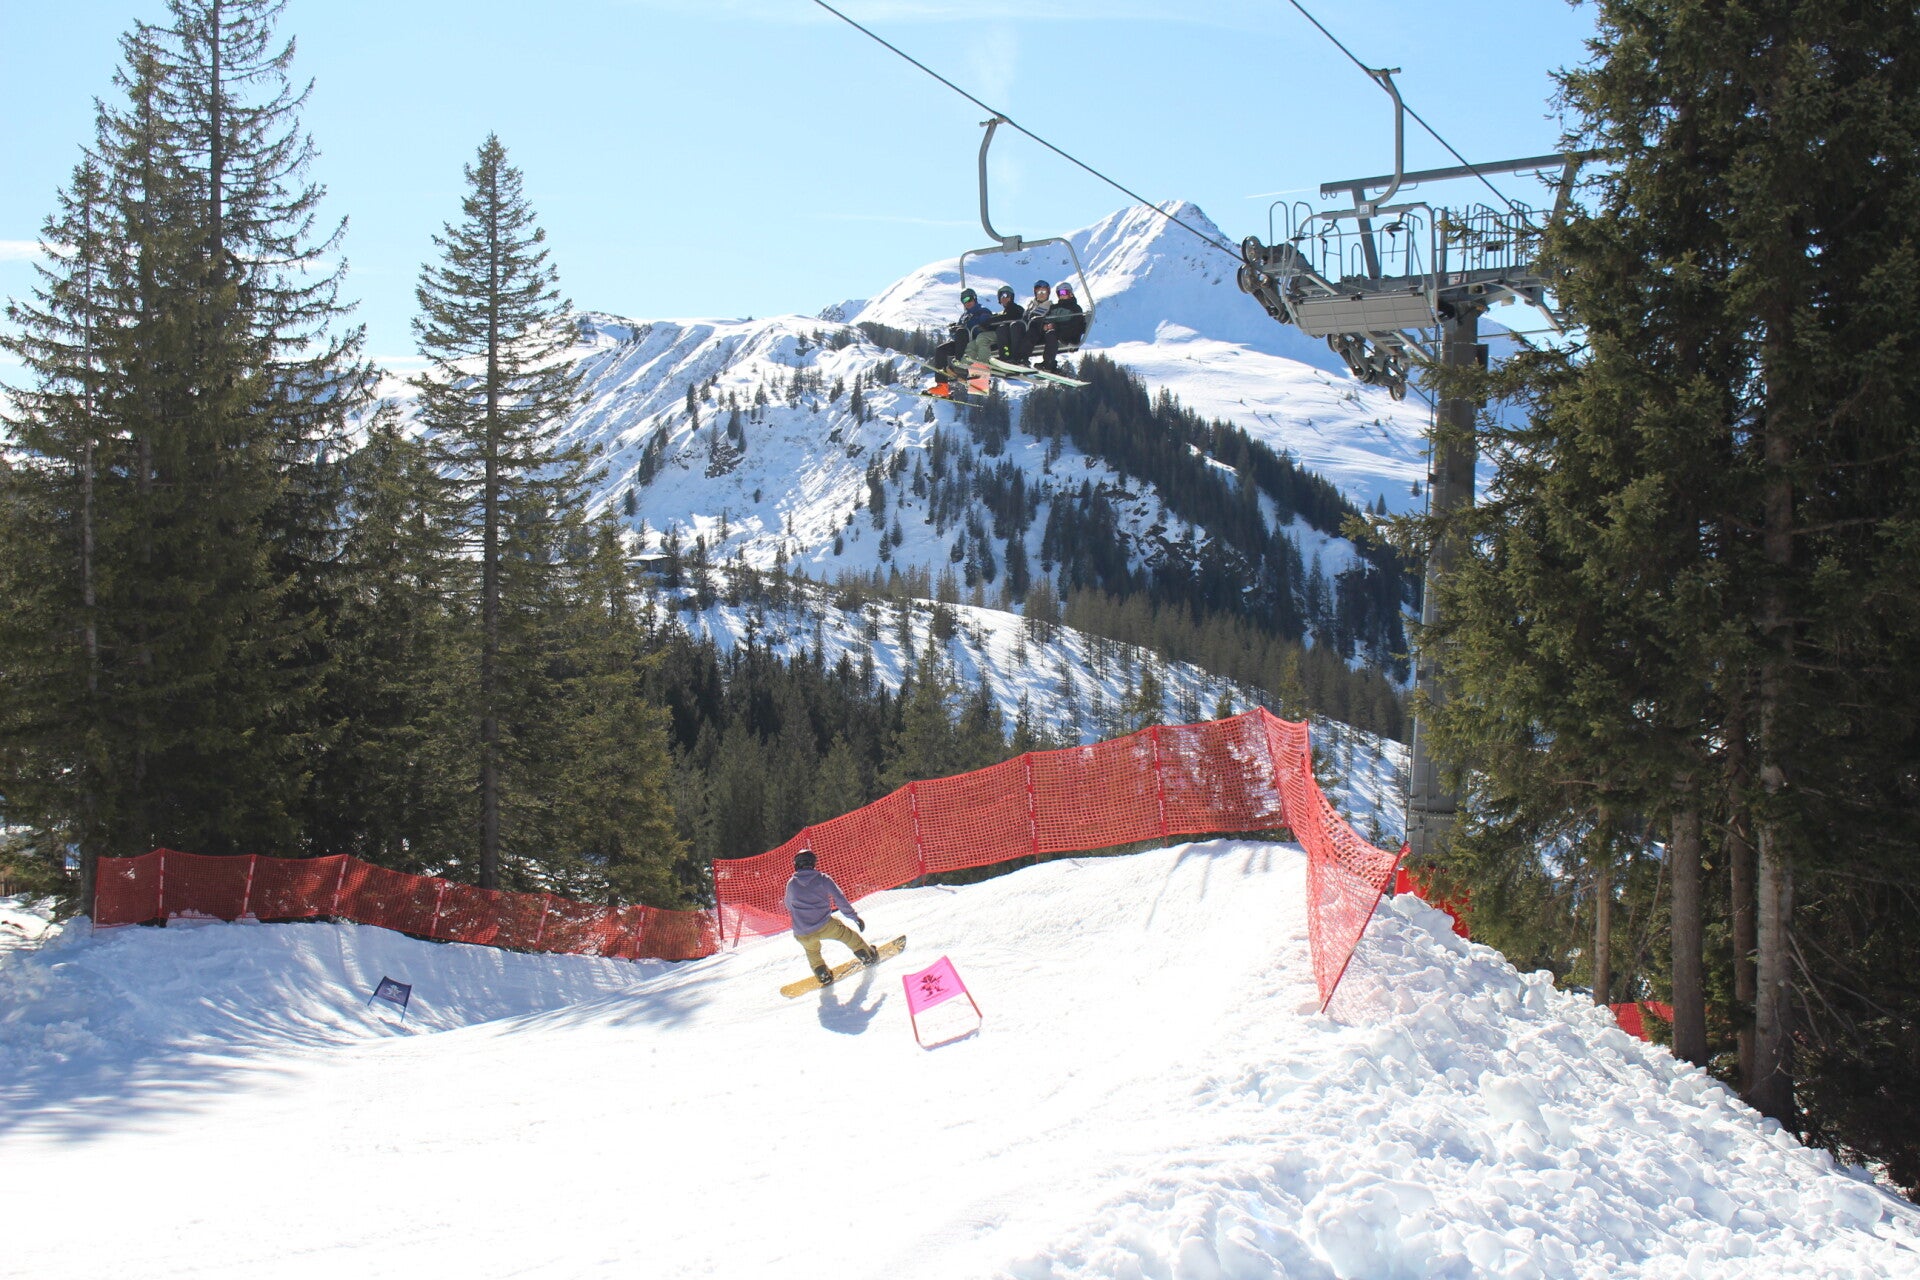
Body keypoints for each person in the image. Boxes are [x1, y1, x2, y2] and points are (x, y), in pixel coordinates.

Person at [784, 847, 877, 984]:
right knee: (848, 936)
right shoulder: (823, 879)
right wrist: (854, 917)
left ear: (796, 865)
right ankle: (867, 955)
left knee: (812, 951)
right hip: (825, 925)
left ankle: (822, 974)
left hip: (802, 931)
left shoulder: (792, 884)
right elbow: (839, 899)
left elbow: (788, 904)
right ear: (813, 863)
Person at [929, 287, 998, 392]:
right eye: (964, 301)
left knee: (962, 332)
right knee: (941, 350)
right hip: (961, 343)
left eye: (969, 299)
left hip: (974, 341)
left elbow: (985, 324)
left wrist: (965, 327)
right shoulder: (964, 316)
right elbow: (957, 334)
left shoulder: (982, 311)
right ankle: (942, 385)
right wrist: (954, 330)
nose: (967, 302)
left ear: (974, 299)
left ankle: (961, 369)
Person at [987, 283, 1027, 361]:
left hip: (1019, 336)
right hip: (1007, 340)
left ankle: (1016, 357)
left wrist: (991, 320)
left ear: (1011, 297)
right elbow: (1003, 317)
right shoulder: (1001, 313)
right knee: (1001, 329)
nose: (1004, 298)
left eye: (1007, 295)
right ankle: (1005, 357)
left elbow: (1011, 315)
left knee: (1012, 326)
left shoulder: (1017, 308)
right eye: (1002, 296)